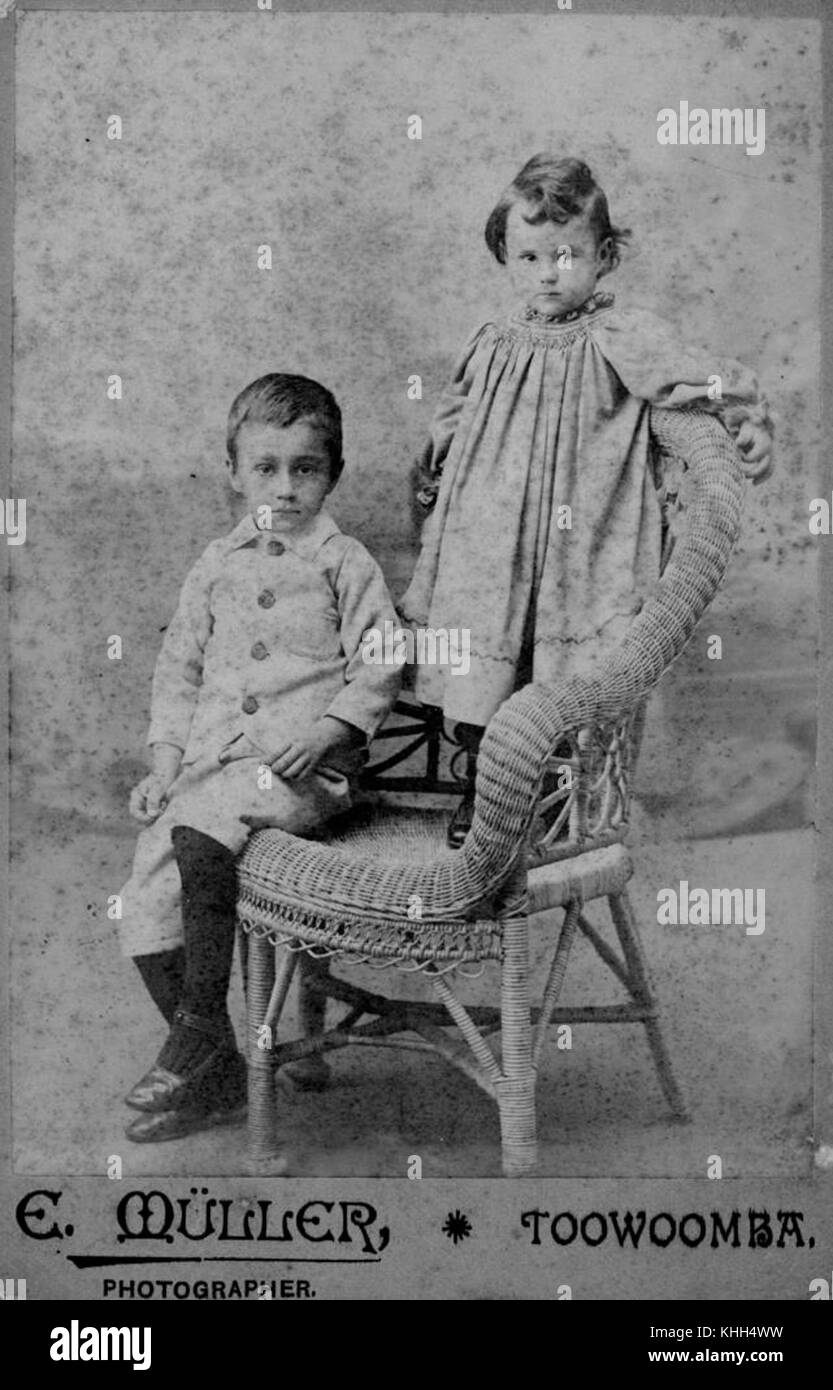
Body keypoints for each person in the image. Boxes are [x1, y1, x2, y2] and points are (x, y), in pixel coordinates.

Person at [399, 154, 773, 846]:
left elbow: (694, 377)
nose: (548, 272)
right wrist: (433, 465)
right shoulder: (494, 341)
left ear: (602, 258)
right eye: (530, 256)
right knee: (484, 659)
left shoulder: (621, 335)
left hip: (578, 533)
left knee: (554, 674)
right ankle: (483, 794)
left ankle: (542, 792)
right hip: (493, 538)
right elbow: (455, 413)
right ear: (506, 257)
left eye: (567, 255)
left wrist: (746, 414)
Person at [118, 373, 401, 1142]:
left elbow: (381, 658)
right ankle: (214, 1075)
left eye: (304, 468)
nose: (284, 487)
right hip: (211, 771)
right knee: (143, 898)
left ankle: (200, 1027)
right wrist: (165, 763)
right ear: (235, 472)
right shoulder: (217, 562)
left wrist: (331, 730)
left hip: (303, 773)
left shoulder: (343, 560)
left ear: (331, 474)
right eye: (265, 468)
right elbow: (177, 668)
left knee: (204, 830)